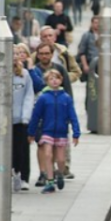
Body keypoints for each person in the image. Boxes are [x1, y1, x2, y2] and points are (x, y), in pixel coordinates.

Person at [27, 70, 81, 194]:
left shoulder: (66, 98)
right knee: (47, 155)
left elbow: (72, 116)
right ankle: (50, 181)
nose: (54, 81)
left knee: (61, 159)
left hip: (61, 132)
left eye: (56, 78)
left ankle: (60, 173)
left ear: (61, 80)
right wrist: (31, 132)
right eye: (51, 79)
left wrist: (76, 133)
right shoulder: (43, 98)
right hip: (47, 131)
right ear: (47, 82)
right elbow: (36, 116)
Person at [32, 43, 73, 186]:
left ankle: (53, 171)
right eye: (41, 53)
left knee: (55, 147)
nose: (44, 56)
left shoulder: (59, 69)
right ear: (38, 55)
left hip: (57, 115)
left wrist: (68, 115)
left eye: (47, 53)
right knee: (41, 145)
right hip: (40, 113)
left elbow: (67, 90)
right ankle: (43, 172)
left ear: (51, 54)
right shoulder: (35, 70)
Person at [12, 44, 35, 191]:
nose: (15, 56)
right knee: (11, 150)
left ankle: (24, 176)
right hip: (6, 120)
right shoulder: (1, 73)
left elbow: (29, 96)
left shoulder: (24, 74)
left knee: (23, 149)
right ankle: (13, 173)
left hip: (21, 119)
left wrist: (26, 116)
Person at [78, 16, 100, 132]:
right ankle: (91, 114)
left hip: (102, 68)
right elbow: (82, 52)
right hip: (91, 68)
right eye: (95, 22)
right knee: (91, 92)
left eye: (98, 23)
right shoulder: (87, 36)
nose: (97, 25)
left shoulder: (104, 36)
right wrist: (85, 65)